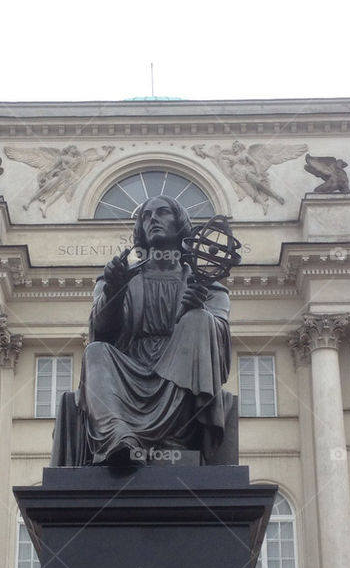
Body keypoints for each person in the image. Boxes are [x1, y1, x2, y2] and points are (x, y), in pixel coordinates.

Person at [51, 195, 233, 467]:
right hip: (129, 370)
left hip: (180, 370)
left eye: (162, 213)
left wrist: (199, 309)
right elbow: (102, 332)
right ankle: (118, 438)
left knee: (199, 321)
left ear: (180, 224)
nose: (153, 220)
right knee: (96, 351)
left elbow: (219, 340)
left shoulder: (206, 285)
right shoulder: (120, 275)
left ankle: (177, 437)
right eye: (146, 216)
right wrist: (115, 289)